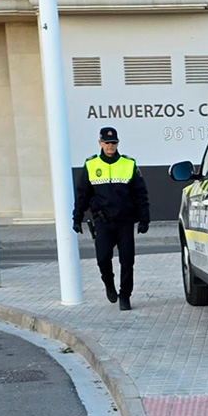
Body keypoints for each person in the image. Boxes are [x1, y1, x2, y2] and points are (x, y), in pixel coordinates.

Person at [72, 126, 149, 311]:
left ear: (117, 143)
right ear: (100, 143)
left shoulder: (128, 164)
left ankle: (125, 295)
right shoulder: (91, 165)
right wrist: (77, 218)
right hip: (102, 221)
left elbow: (141, 194)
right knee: (103, 259)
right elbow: (82, 194)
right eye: (107, 143)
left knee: (127, 260)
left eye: (113, 143)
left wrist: (144, 219)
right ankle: (109, 284)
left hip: (124, 221)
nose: (110, 146)